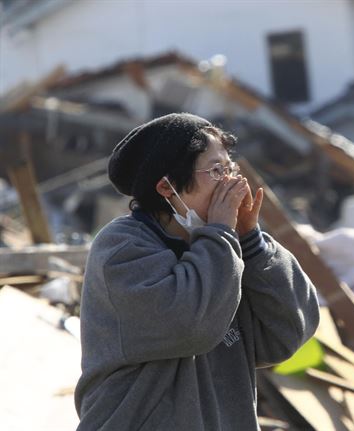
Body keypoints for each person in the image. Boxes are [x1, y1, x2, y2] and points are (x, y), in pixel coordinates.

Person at [74, 112, 319, 430]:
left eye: (230, 168)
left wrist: (252, 242)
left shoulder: (225, 249)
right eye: (217, 170)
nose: (232, 182)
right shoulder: (122, 248)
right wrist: (220, 235)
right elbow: (192, 326)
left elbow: (286, 336)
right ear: (166, 187)